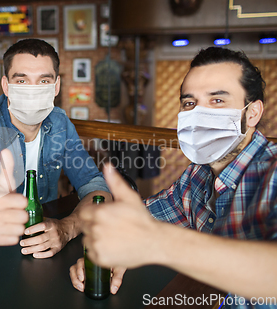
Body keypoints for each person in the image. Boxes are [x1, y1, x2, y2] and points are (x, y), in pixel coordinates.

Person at [69, 47, 277, 308]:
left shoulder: (272, 174)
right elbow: (144, 221)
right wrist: (103, 252)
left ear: (253, 112)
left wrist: (159, 243)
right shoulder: (197, 175)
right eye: (190, 103)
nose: (200, 115)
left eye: (217, 101)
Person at [0, 39, 110, 258]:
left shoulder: (60, 124)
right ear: (6, 86)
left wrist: (67, 228)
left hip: (43, 245)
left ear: (56, 86)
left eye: (44, 81)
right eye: (22, 81)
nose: (33, 90)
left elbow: (96, 188)